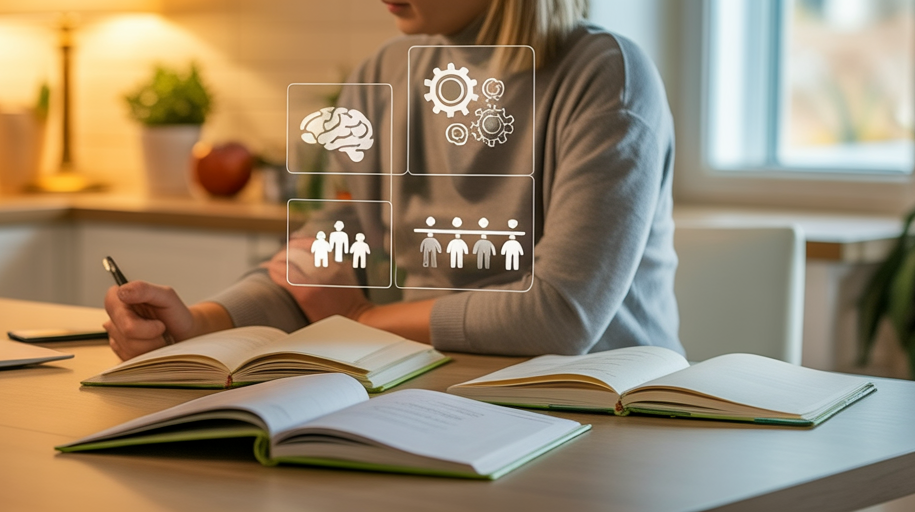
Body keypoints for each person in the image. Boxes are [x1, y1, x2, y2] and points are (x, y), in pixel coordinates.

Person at [103, 0, 680, 361]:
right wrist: (199, 324)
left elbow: (560, 315)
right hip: (446, 387)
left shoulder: (608, 79)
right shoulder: (383, 73)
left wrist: (363, 322)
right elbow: (328, 249)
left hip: (605, 405)